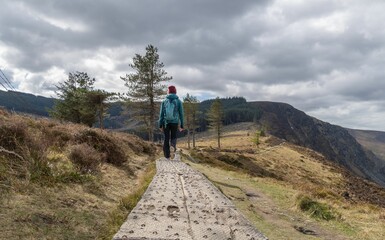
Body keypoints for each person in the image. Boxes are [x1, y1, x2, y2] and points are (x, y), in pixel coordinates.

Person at [158, 85, 184, 160]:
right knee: (173, 136)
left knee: (166, 138)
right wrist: (182, 124)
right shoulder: (178, 101)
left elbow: (161, 114)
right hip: (175, 122)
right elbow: (181, 114)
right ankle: (172, 146)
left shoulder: (164, 101)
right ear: (175, 92)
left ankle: (167, 156)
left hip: (165, 122)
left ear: (168, 92)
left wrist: (160, 124)